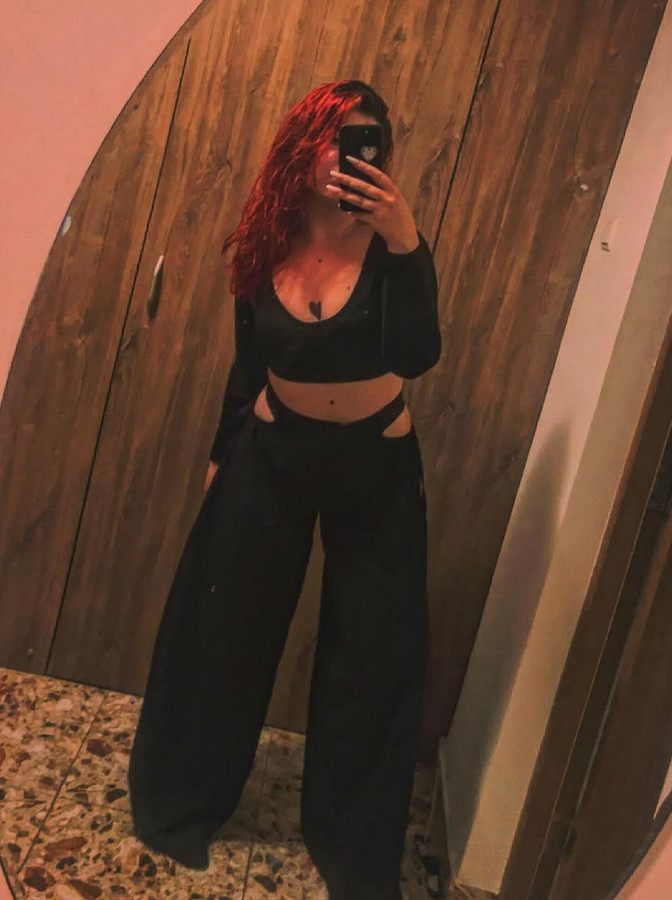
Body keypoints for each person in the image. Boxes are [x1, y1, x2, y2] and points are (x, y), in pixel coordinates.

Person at [127, 79, 442, 900]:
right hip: (271, 451)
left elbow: (416, 355)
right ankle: (181, 802)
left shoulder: (393, 245)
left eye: (363, 138)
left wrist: (405, 240)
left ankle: (350, 847)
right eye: (332, 135)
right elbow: (247, 363)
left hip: (375, 464)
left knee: (371, 653)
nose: (345, 153)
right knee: (222, 627)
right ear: (300, 147)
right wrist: (221, 455)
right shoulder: (266, 236)